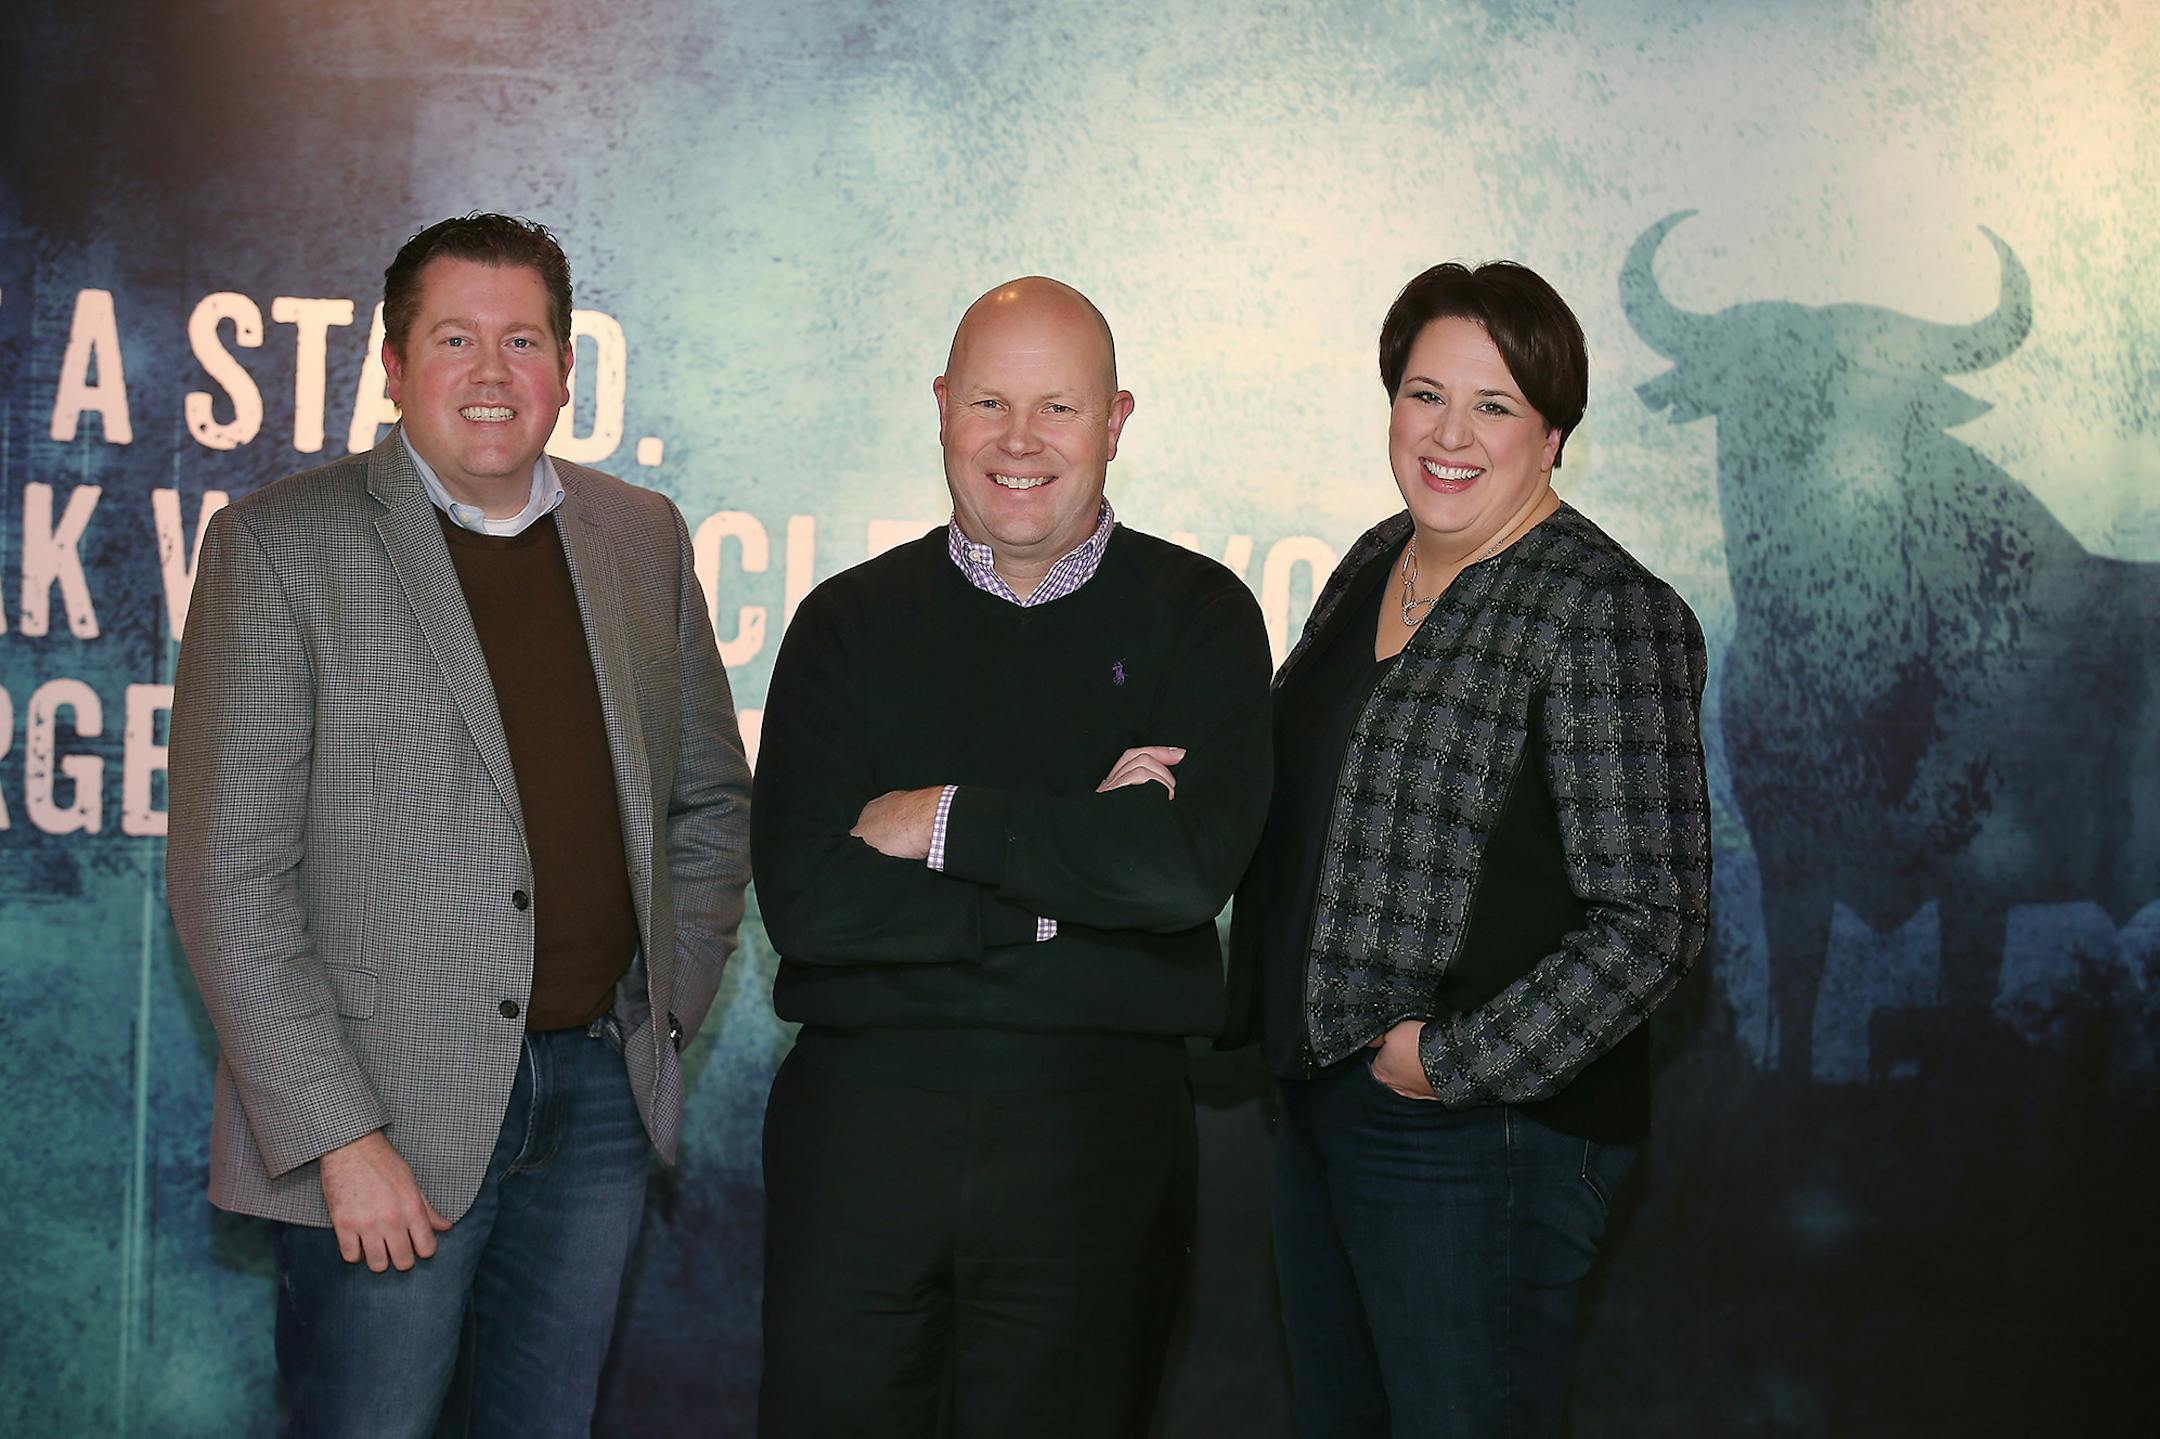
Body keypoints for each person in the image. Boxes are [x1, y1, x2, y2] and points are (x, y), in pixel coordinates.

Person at [165, 213, 753, 1436]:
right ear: (390, 364)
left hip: (594, 1098)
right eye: (454, 338)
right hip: (387, 1126)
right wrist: (342, 1136)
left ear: (567, 369)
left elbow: (707, 801)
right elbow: (227, 880)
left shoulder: (640, 534)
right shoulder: (280, 544)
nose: (492, 372)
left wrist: (661, 1013)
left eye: (523, 339)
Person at [751, 276, 1272, 1437]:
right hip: (862, 1144)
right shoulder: (845, 623)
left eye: (1059, 408)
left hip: (1097, 1145)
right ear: (941, 406)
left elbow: (1183, 872)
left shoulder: (1202, 615)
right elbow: (810, 901)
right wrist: (1067, 881)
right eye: (989, 401)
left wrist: (941, 820)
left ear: (1118, 418)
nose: (1020, 442)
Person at [1225, 260, 1711, 1437]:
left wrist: (1451, 1062)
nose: (1450, 434)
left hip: (1481, 1138)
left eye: (1494, 405)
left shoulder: (1604, 609)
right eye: (1423, 393)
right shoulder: (1374, 559)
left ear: (1553, 432)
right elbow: (1319, 793)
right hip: (1325, 1108)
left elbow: (1654, 922)